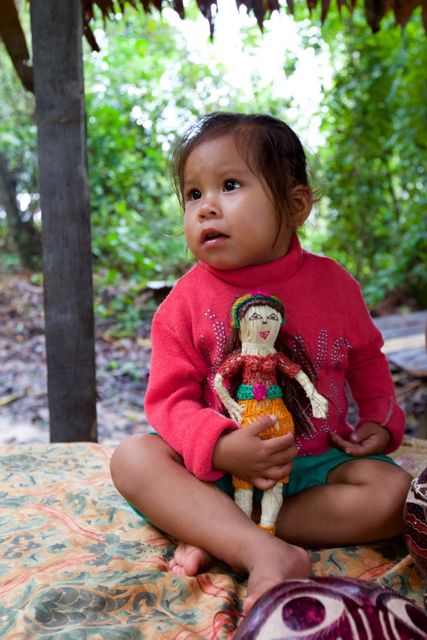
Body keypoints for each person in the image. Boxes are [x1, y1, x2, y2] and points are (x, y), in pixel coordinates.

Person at [110, 112, 411, 613]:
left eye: (229, 185)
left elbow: (367, 362)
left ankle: (219, 529)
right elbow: (169, 402)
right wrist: (221, 448)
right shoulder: (182, 304)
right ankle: (260, 549)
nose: (206, 207)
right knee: (132, 458)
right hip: (216, 474)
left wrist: (379, 422)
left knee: (394, 493)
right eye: (193, 194)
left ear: (295, 206)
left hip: (313, 468)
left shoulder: (335, 286)